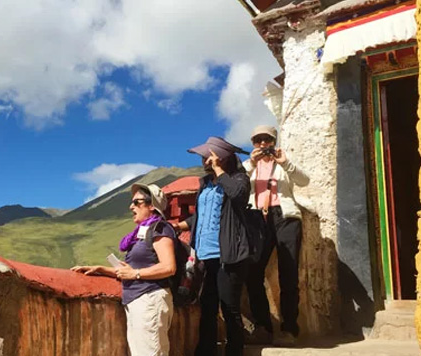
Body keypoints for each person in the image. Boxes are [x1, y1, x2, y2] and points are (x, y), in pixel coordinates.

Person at [71, 183, 177, 356]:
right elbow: (131, 270)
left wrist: (135, 273)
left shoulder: (160, 228)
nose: (131, 206)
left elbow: (168, 267)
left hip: (149, 299)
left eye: (137, 202)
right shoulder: (141, 234)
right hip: (138, 299)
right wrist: (100, 269)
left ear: (152, 206)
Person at [172, 136, 251, 356]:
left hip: (228, 255)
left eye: (207, 156)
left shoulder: (239, 179)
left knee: (229, 307)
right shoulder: (204, 184)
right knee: (207, 306)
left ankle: (235, 351)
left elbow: (238, 196)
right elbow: (201, 215)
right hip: (206, 256)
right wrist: (179, 226)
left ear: (220, 157)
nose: (203, 160)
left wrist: (219, 171)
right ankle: (205, 351)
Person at [242, 125, 309, 346]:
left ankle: (290, 328)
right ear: (253, 144)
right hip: (258, 219)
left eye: (267, 140)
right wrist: (252, 163)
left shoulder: (284, 161)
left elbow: (304, 180)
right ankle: (264, 326)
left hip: (285, 217)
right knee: (253, 272)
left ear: (274, 141)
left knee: (288, 274)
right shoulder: (249, 166)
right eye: (258, 140)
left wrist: (285, 163)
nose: (263, 144)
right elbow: (236, 183)